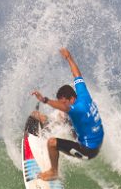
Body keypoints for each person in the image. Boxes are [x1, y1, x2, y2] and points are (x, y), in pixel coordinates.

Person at [31, 48, 104, 180]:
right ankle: (47, 121)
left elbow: (62, 107)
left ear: (71, 99)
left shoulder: (77, 108)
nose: (63, 105)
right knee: (64, 116)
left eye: (64, 102)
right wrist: (69, 57)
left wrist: (44, 100)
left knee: (52, 143)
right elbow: (77, 74)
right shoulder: (82, 94)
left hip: (88, 150)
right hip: (96, 138)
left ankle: (53, 172)